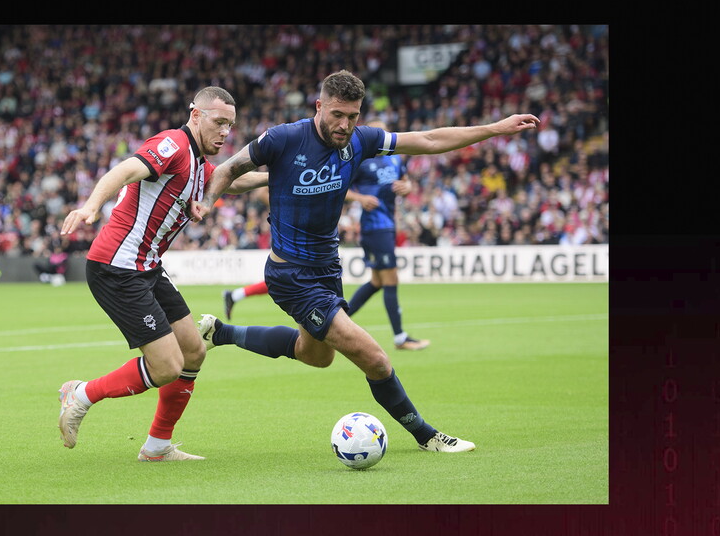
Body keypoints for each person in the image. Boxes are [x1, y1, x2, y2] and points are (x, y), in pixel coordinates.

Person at [191, 70, 539, 454]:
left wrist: (494, 128)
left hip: (328, 269)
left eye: (352, 116)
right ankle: (428, 436)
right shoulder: (283, 138)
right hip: (291, 274)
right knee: (374, 357)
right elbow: (228, 169)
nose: (344, 125)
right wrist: (207, 202)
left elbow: (427, 139)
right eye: (337, 114)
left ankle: (220, 332)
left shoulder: (363, 140)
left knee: (316, 356)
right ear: (319, 106)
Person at [57, 86, 267, 461]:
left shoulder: (200, 163)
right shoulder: (173, 144)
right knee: (167, 366)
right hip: (116, 267)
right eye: (218, 122)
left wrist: (273, 177)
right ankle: (82, 394)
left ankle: (156, 448)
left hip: (148, 267)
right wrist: (91, 207)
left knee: (194, 352)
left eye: (230, 126)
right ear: (195, 115)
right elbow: (124, 170)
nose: (224, 132)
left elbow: (232, 181)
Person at [343, 120, 429, 350]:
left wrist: (407, 187)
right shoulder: (360, 160)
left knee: (377, 281)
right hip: (374, 226)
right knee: (391, 280)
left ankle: (337, 321)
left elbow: (405, 181)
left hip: (387, 224)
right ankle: (400, 337)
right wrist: (360, 199)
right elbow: (340, 186)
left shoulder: (395, 157)